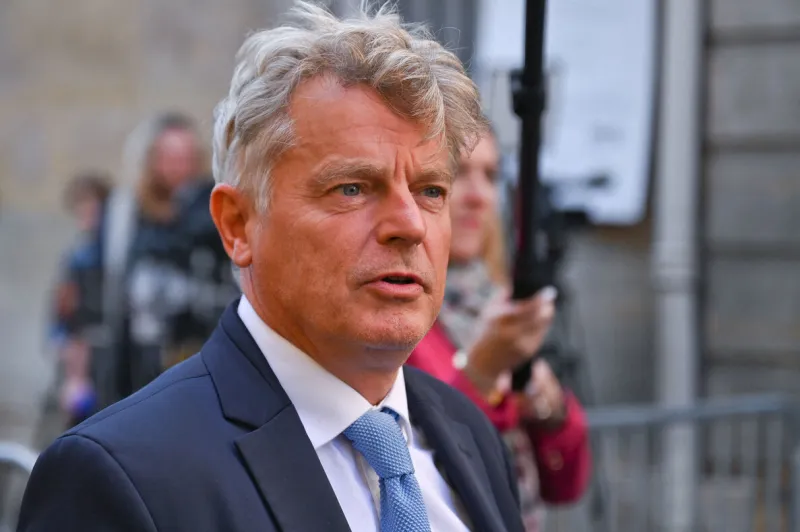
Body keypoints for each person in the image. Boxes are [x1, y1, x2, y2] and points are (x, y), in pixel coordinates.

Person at [17, 3, 525, 532]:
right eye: (352, 188)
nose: (410, 225)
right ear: (237, 225)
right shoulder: (120, 477)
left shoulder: (468, 434)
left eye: (431, 191)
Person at [406, 130, 592, 530]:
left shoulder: (498, 298)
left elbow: (565, 483)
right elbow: (409, 467)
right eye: (456, 173)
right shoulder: (396, 313)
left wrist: (551, 408)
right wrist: (482, 372)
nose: (479, 196)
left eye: (490, 175)